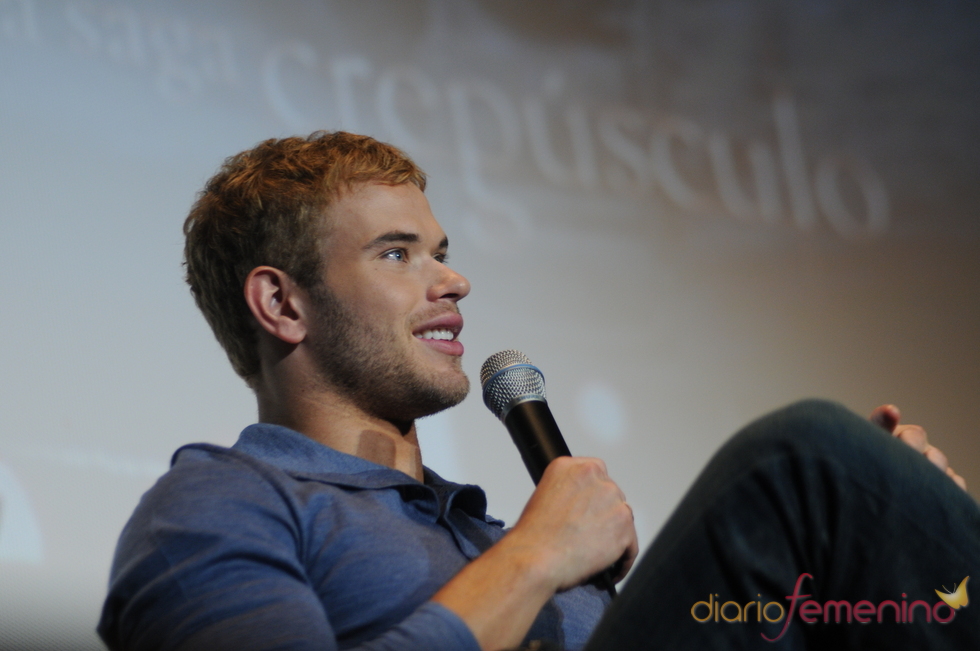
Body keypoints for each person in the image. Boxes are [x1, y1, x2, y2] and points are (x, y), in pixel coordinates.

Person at [98, 131, 979, 651]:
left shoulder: (486, 530)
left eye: (441, 251)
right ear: (281, 303)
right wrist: (534, 556)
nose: (454, 282)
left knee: (843, 504)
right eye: (398, 254)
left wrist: (866, 531)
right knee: (797, 461)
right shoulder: (211, 505)